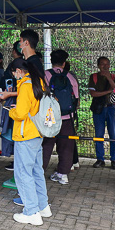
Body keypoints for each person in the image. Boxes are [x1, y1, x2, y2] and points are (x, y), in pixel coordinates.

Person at [7, 57, 52, 225]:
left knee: (23, 173)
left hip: (25, 134)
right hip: (37, 133)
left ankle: (31, 212)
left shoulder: (25, 86)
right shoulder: (39, 82)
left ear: (19, 71)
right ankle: (43, 207)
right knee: (36, 171)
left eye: (14, 73)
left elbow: (20, 114)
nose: (14, 76)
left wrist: (11, 112)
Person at [42, 49, 79, 184]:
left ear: (51, 61)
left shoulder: (45, 75)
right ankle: (62, 174)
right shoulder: (70, 77)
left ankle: (40, 171)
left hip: (49, 117)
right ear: (64, 63)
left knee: (46, 145)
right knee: (66, 145)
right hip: (67, 116)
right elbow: (76, 99)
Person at [88, 56, 115, 169]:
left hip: (112, 108)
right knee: (99, 134)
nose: (105, 66)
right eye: (102, 64)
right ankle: (100, 159)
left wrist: (109, 79)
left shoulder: (114, 77)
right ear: (98, 65)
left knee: (113, 134)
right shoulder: (94, 77)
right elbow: (93, 94)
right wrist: (108, 92)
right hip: (99, 109)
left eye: (107, 64)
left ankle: (114, 159)